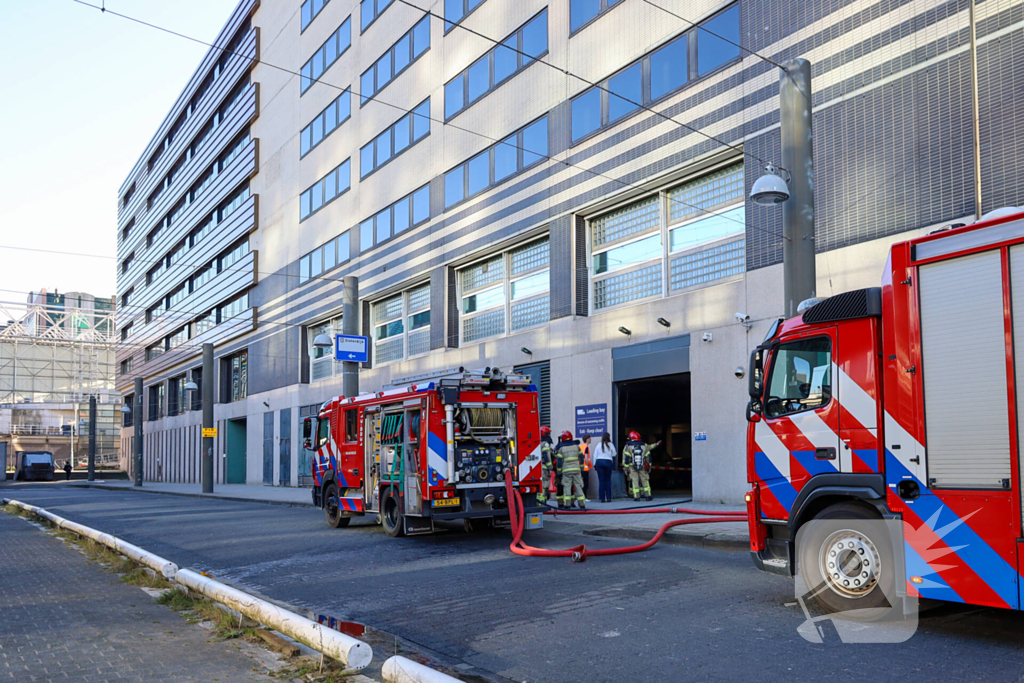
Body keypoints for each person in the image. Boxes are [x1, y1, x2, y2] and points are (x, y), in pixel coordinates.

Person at [622, 431, 661, 502]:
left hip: (632, 467)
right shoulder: (644, 446)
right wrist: (648, 466)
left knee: (635, 481)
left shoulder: (628, 447)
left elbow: (626, 459)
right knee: (645, 481)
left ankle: (637, 497)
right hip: (642, 466)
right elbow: (648, 457)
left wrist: (626, 468)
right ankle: (648, 496)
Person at [554, 430, 586, 510]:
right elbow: (581, 458)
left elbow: (559, 462)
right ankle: (582, 504)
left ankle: (567, 505)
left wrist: (559, 471)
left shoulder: (561, 449)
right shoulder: (576, 447)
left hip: (566, 471)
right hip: (576, 470)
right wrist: (581, 468)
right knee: (578, 486)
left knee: (567, 487)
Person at [592, 432, 616, 503]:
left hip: (599, 462)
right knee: (608, 480)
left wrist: (594, 464)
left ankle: (602, 498)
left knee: (601, 481)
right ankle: (608, 497)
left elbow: (595, 455)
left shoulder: (599, 445)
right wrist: (609, 454)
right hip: (608, 462)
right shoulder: (610, 444)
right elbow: (614, 454)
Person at [539, 426, 554, 505]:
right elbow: (547, 457)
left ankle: (540, 503)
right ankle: (542, 504)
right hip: (544, 468)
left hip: (539, 468)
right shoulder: (545, 444)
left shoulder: (538, 442)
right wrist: (550, 468)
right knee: (544, 486)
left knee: (541, 486)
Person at [580, 434, 592, 500]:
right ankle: (584, 497)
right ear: (587, 439)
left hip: (580, 467)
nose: (590, 440)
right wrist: (588, 466)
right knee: (585, 483)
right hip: (585, 468)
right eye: (589, 438)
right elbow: (586, 458)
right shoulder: (586, 447)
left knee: (581, 483)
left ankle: (581, 497)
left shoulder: (581, 447)